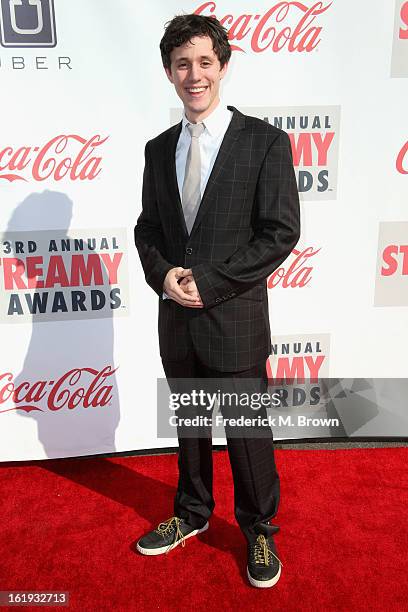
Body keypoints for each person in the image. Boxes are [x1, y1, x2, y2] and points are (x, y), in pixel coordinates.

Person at [134, 13, 300, 588]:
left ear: (223, 66)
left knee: (248, 437)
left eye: (205, 62)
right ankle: (191, 513)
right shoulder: (158, 150)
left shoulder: (264, 142)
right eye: (183, 64)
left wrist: (213, 282)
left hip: (234, 320)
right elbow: (148, 229)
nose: (194, 74)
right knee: (190, 428)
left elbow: (279, 232)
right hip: (175, 320)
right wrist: (165, 276)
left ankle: (259, 530)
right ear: (169, 72)